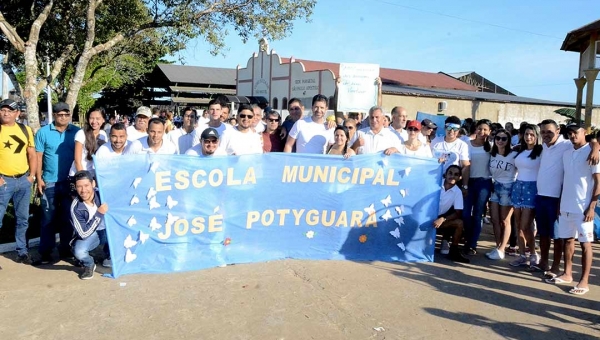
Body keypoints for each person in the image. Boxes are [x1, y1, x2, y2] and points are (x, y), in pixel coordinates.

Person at [537, 120, 599, 278]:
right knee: (548, 234)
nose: (546, 134)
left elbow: (588, 142)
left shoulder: (566, 144)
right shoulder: (554, 148)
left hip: (570, 202)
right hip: (550, 199)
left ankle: (560, 269)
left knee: (564, 238)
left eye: (549, 131)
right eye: (543, 132)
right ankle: (549, 265)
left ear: (557, 131)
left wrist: (596, 147)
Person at [35, 102, 80, 264]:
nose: (63, 117)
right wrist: (38, 179)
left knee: (68, 217)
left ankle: (66, 250)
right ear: (54, 115)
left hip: (70, 183)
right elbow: (38, 157)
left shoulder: (76, 132)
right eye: (60, 114)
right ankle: (46, 252)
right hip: (49, 182)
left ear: (70, 115)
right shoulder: (43, 132)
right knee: (48, 218)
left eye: (66, 114)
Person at [0, 99, 37, 265]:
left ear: (17, 113)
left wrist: (32, 176)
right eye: (3, 110)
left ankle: (22, 252)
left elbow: (32, 154)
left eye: (10, 110)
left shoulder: (25, 129)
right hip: (4, 182)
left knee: (22, 219)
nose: (6, 113)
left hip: (23, 180)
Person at [509, 124, 542, 269]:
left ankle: (534, 253)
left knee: (525, 225)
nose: (529, 137)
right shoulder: (519, 150)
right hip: (518, 187)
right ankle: (522, 255)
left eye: (532, 135)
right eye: (527, 134)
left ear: (537, 136)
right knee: (518, 224)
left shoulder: (542, 151)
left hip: (533, 188)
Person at [69, 170, 110, 279]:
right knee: (79, 251)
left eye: (86, 185)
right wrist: (99, 214)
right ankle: (89, 264)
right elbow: (83, 233)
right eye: (79, 187)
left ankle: (110, 255)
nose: (83, 190)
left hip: (110, 230)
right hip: (93, 234)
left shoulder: (103, 194)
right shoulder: (75, 207)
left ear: (93, 184)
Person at [463, 119, 493, 255]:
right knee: (465, 213)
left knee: (478, 214)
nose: (482, 132)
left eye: (485, 129)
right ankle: (467, 238)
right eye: (480, 129)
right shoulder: (466, 145)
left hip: (484, 183)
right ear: (475, 130)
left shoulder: (492, 147)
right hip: (468, 182)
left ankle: (472, 244)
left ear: (489, 132)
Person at [486, 129, 517, 260]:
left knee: (505, 220)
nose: (500, 141)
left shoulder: (514, 154)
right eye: (498, 138)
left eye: (504, 139)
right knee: (494, 219)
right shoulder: (492, 154)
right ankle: (498, 247)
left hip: (508, 187)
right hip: (494, 186)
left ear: (508, 140)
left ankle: (502, 248)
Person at [434, 165, 470, 263]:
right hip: (425, 217)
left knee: (459, 223)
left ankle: (454, 251)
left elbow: (458, 213)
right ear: (445, 174)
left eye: (456, 174)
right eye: (450, 173)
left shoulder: (457, 192)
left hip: (439, 220)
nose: (452, 176)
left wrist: (442, 219)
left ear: (460, 178)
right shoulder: (434, 184)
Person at [69, 107, 107, 179]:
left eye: (98, 118)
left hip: (95, 176)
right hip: (80, 175)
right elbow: (77, 161)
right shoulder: (81, 134)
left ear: (103, 120)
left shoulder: (103, 134)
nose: (94, 121)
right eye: (91, 118)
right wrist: (84, 178)